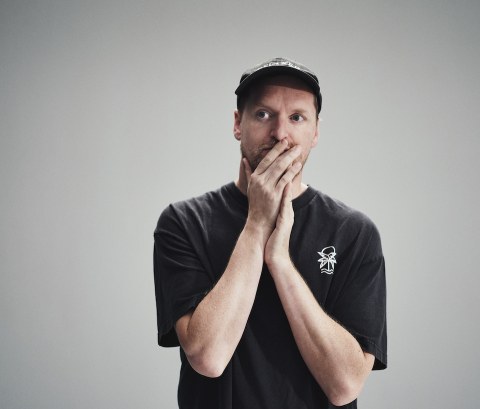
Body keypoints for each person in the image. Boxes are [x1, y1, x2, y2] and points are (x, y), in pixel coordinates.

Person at [153, 57, 387, 409]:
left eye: (297, 117)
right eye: (264, 114)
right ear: (238, 124)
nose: (280, 133)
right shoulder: (184, 223)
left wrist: (280, 262)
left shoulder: (354, 233)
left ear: (316, 132)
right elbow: (208, 357)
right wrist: (257, 224)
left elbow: (345, 385)